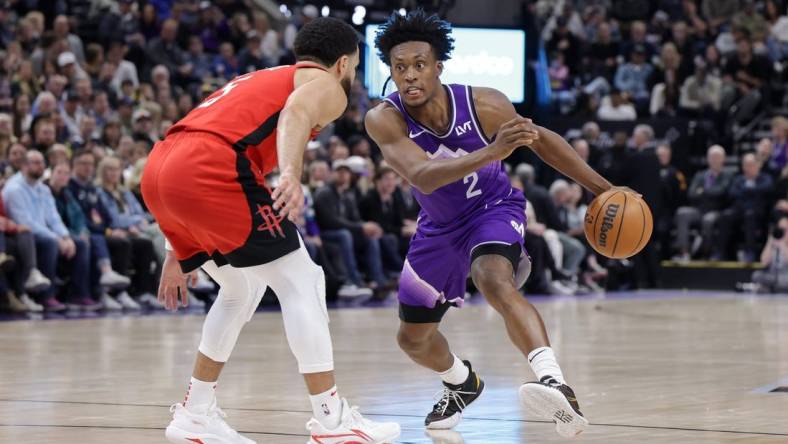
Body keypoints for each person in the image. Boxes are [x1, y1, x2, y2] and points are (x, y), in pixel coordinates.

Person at [365, 10, 629, 437]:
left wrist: (603, 188)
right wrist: (491, 152)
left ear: (438, 66)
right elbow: (422, 176)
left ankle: (554, 382)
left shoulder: (483, 103)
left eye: (419, 65)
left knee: (492, 278)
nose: (409, 76)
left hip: (494, 208)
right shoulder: (384, 118)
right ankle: (460, 382)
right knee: (412, 339)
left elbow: (541, 142)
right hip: (438, 227)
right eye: (400, 68)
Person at [140, 17, 399, 444]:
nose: (351, 76)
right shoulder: (325, 86)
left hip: (161, 170)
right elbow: (297, 111)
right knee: (304, 279)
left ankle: (195, 413)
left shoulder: (258, 77)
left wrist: (175, 247)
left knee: (241, 289)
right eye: (353, 67)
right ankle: (332, 422)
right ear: (341, 64)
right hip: (212, 169)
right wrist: (291, 175)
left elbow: (193, 142)